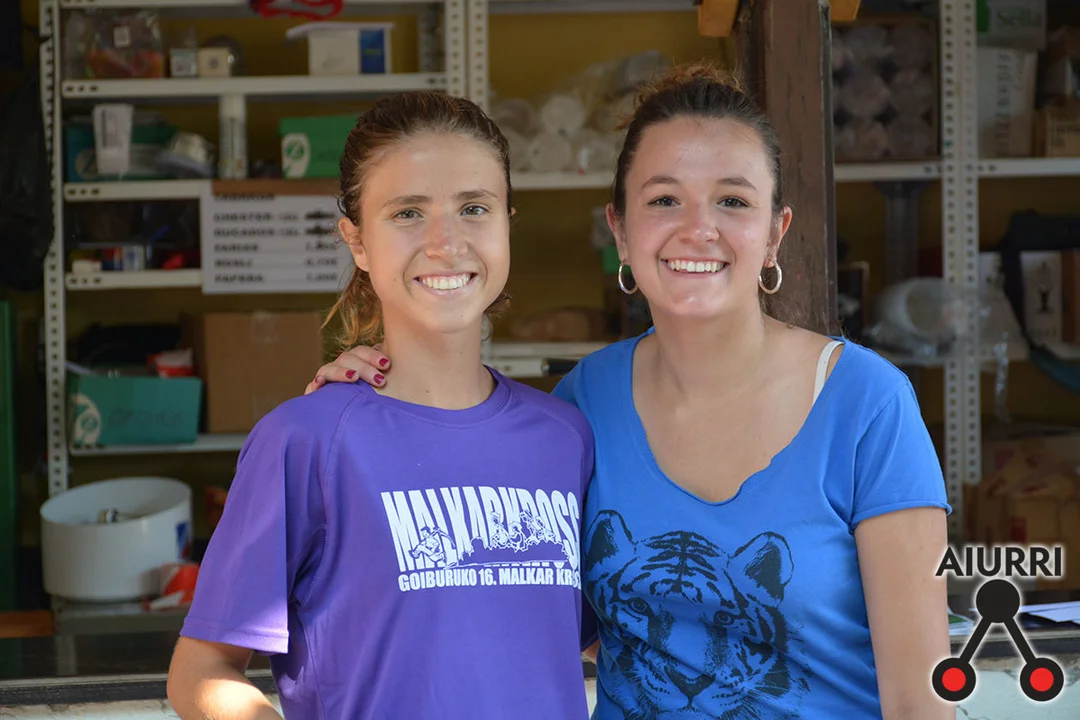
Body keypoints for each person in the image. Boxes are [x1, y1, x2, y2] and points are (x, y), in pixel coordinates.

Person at [306, 63, 955, 719]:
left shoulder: (866, 403)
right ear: (619, 230)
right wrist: (382, 391)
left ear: (774, 234)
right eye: (664, 200)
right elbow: (532, 604)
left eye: (733, 201)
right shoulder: (582, 404)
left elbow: (922, 700)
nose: (698, 229)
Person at [167, 91, 596, 720]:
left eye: (474, 208)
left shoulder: (566, 436)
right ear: (357, 241)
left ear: (507, 223)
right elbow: (201, 671)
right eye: (408, 213)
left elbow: (587, 637)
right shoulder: (306, 440)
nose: (446, 242)